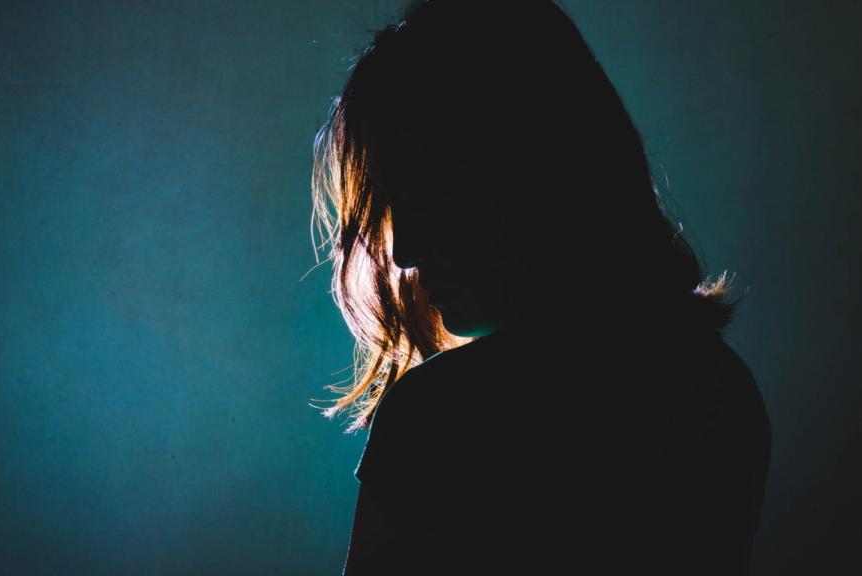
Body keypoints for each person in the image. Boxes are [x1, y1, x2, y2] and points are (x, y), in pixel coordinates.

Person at [308, 1, 772, 574]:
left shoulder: (443, 421)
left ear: (526, 177)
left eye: (426, 198)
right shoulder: (721, 388)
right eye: (396, 207)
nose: (404, 252)